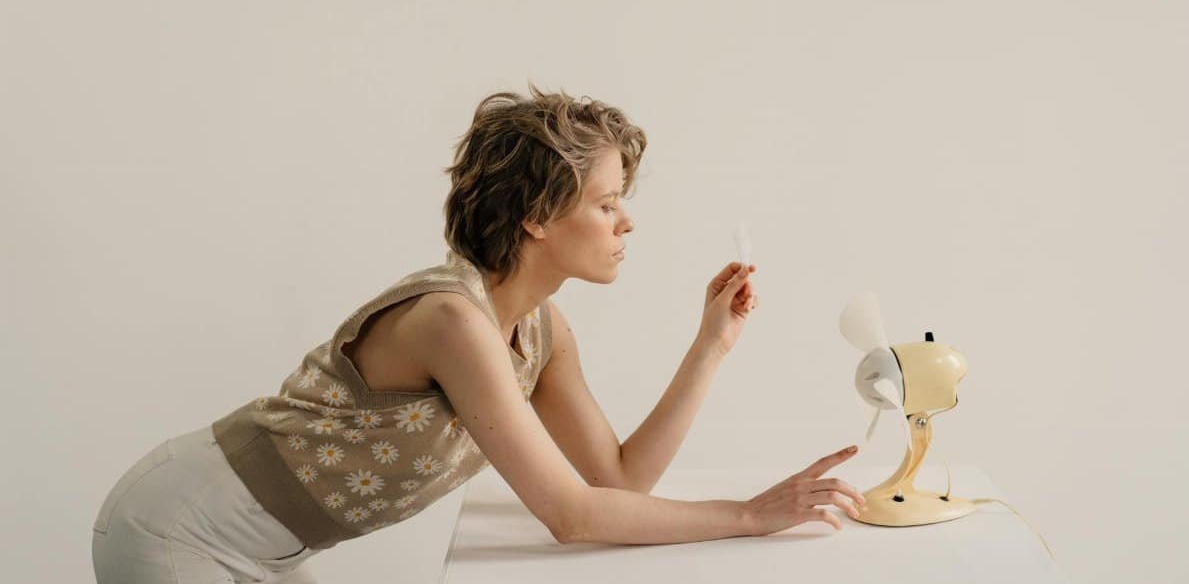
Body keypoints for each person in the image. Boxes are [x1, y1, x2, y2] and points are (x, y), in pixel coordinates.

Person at [91, 84, 866, 583]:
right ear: (536, 216)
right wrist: (749, 514)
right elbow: (572, 517)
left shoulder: (541, 329)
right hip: (179, 528)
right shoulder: (453, 321)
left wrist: (710, 346)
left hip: (273, 546)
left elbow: (617, 484)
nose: (626, 221)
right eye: (606, 203)